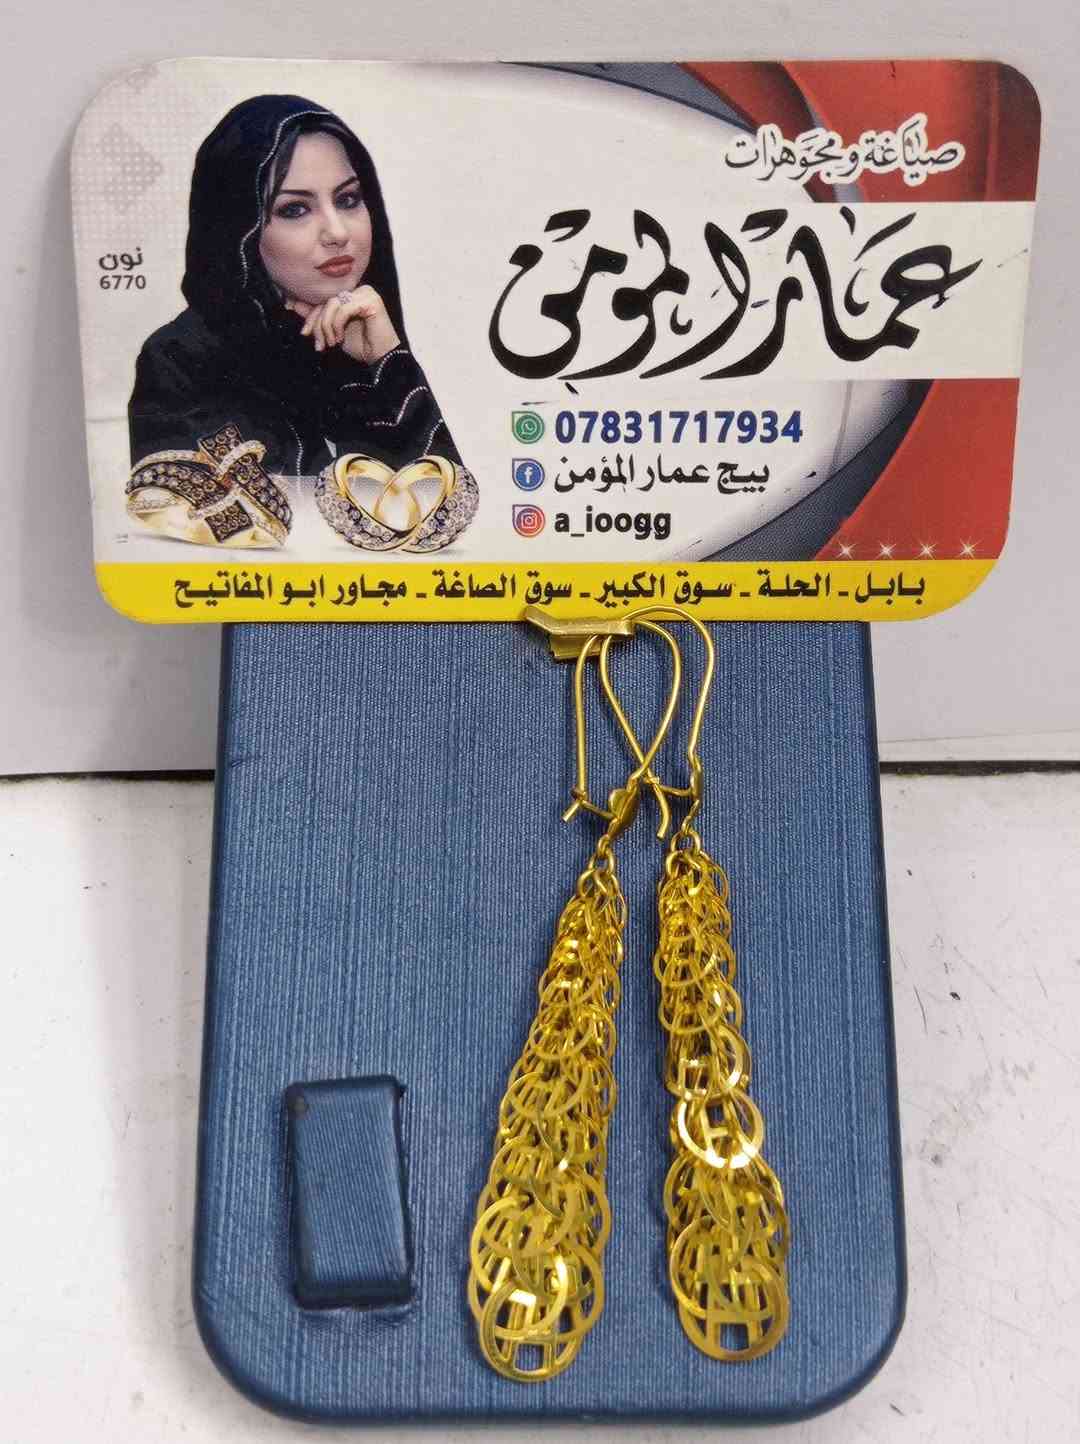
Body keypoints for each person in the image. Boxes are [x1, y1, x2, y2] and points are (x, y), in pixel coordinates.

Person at [128, 93, 461, 487]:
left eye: (348, 199)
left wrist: (388, 360)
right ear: (239, 229)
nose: (337, 232)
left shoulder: (361, 341)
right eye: (295, 209)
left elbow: (446, 506)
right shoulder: (182, 362)